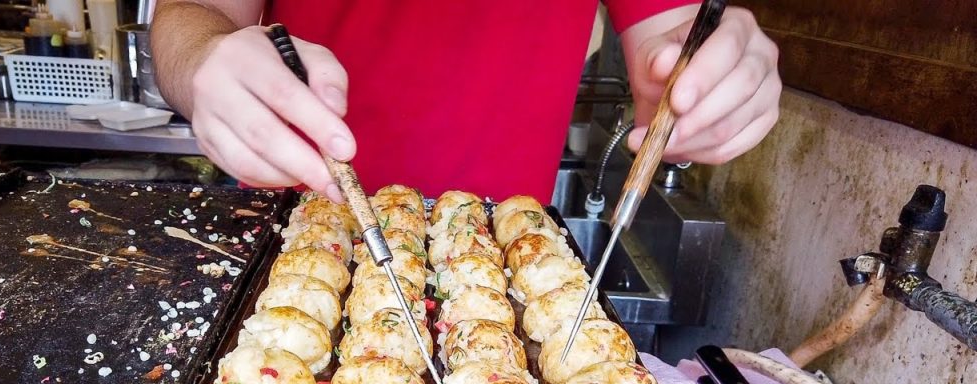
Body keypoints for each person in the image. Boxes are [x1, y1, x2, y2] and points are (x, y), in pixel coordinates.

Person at [152, 1, 780, 203]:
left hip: (503, 252)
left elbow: (672, 44)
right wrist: (206, 55)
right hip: (290, 226)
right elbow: (189, 15)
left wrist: (709, 81)